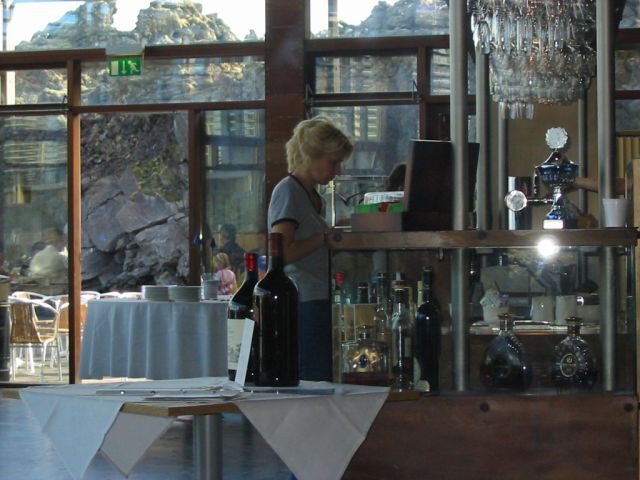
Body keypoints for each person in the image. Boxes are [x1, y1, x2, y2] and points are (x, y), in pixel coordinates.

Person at [268, 116, 353, 381]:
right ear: (311, 155)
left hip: (317, 296)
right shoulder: (288, 191)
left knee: (321, 372)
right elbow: (281, 252)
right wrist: (323, 238)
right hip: (303, 298)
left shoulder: (312, 196)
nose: (338, 170)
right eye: (333, 162)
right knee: (313, 375)